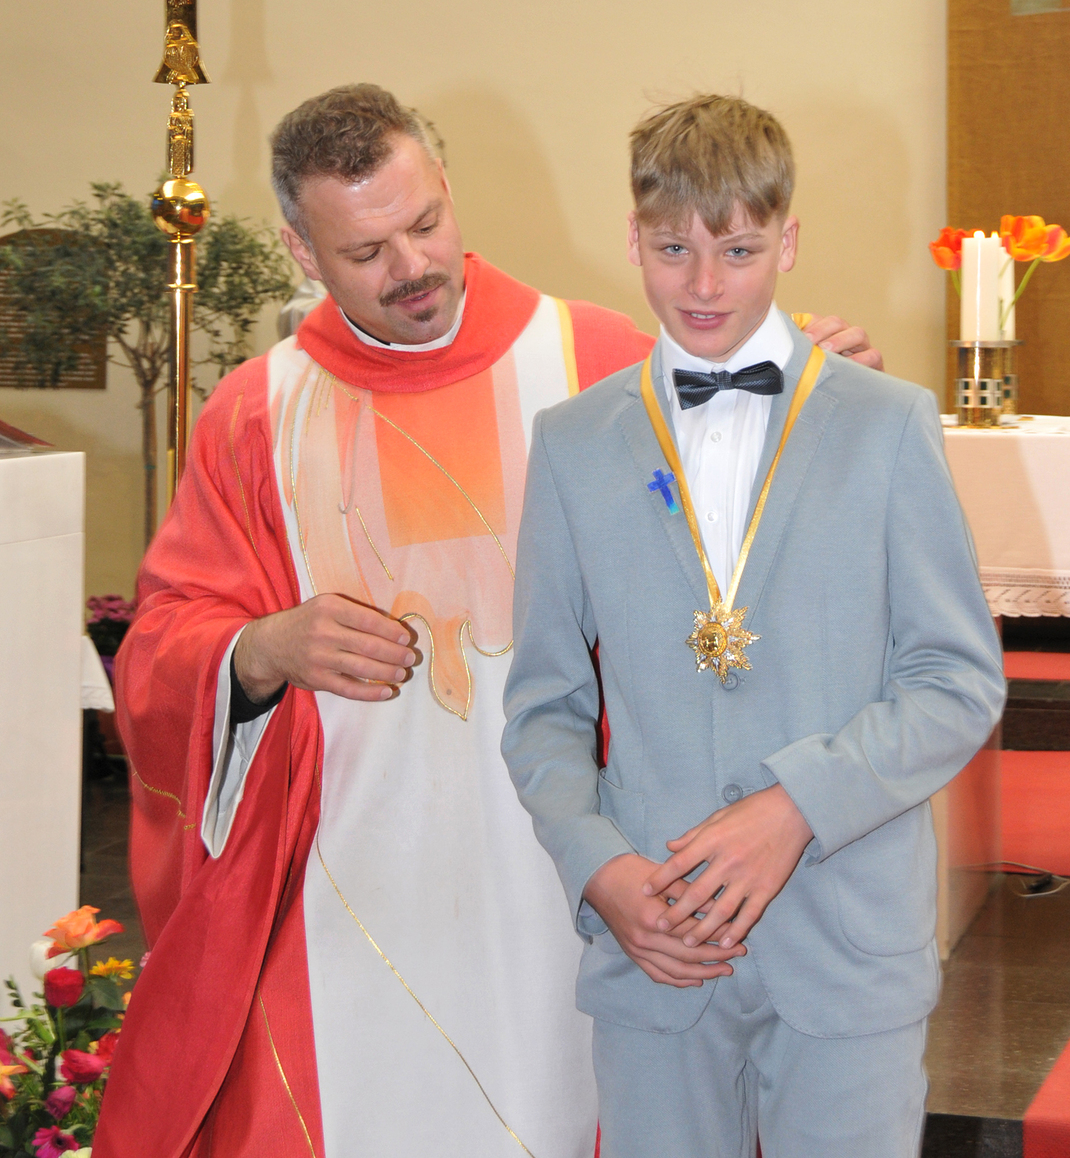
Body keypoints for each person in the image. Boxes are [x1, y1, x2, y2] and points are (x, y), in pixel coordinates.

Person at [95, 83, 884, 1158]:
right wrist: (263, 646)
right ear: (299, 249)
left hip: (579, 858)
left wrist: (813, 414)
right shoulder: (255, 414)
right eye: (365, 251)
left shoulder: (597, 359)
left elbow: (748, 540)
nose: (411, 266)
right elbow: (159, 644)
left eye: (425, 224)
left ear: (446, 189)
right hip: (348, 876)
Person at [501, 93, 1005, 1158]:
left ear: (789, 240)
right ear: (632, 238)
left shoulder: (885, 423)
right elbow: (543, 707)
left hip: (845, 935)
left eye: (736, 250)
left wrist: (795, 809)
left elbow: (956, 681)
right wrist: (600, 870)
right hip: (657, 940)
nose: (703, 285)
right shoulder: (573, 443)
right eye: (672, 249)